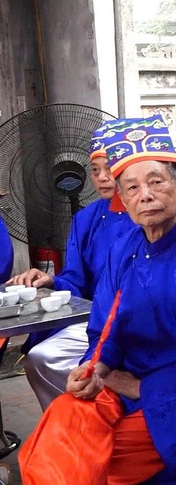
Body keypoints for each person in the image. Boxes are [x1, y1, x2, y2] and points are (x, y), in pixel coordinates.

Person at [18, 116, 176, 484]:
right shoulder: (124, 248)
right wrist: (96, 369)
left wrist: (137, 386)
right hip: (122, 383)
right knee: (58, 428)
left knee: (104, 460)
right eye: (132, 187)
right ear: (122, 199)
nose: (146, 195)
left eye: (156, 181)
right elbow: (105, 326)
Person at [7, 121, 134, 410]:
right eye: (95, 170)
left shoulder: (148, 215)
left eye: (110, 167)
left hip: (137, 322)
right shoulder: (86, 219)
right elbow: (76, 282)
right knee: (41, 357)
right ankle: (69, 424)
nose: (102, 177)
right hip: (94, 320)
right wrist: (52, 281)